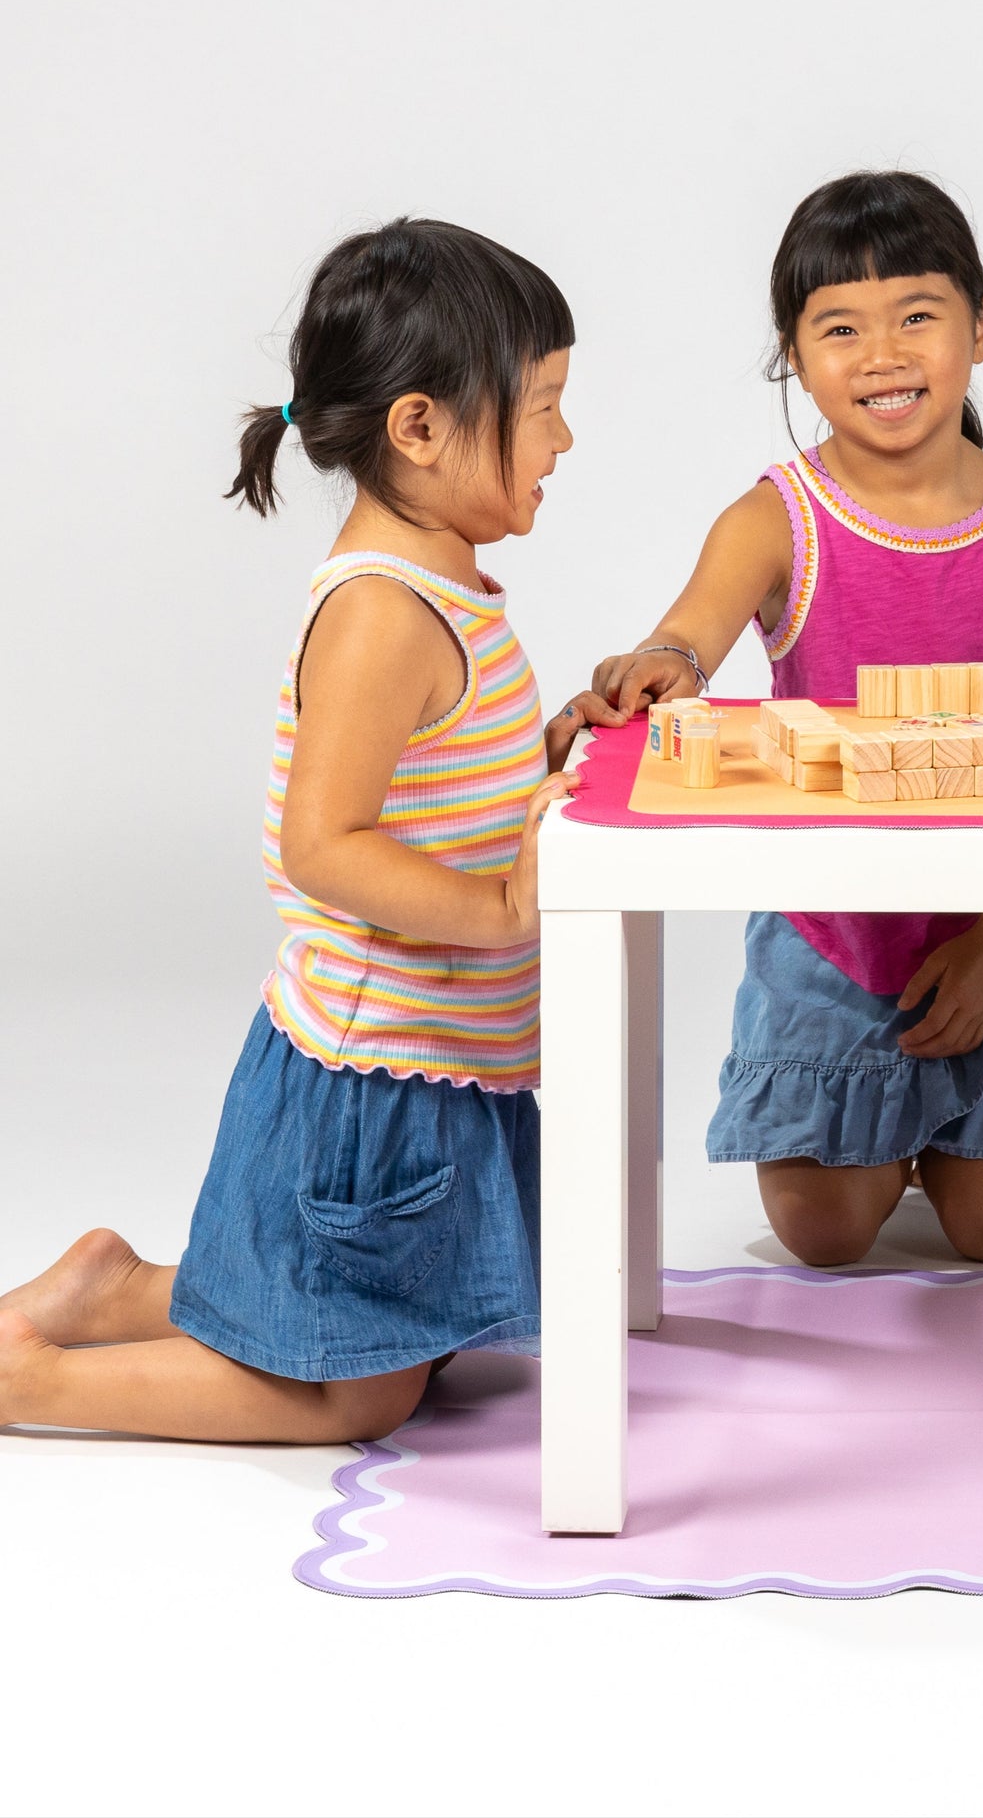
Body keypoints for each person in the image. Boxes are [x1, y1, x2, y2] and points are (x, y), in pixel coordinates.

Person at [0, 218, 614, 1443]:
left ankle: (117, 1288)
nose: (562, 438)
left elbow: (434, 776)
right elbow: (324, 841)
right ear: (421, 426)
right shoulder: (384, 609)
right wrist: (502, 907)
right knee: (361, 1394)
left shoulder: (444, 581)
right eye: (540, 406)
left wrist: (550, 749)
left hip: (440, 1055)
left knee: (419, 1333)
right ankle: (34, 1382)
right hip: (373, 1072)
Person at [592, 171, 983, 1267]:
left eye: (916, 317)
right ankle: (879, 1129)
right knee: (822, 1233)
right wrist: (659, 663)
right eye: (840, 328)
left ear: (979, 326)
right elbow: (685, 639)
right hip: (832, 931)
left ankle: (950, 1124)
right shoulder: (772, 518)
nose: (881, 356)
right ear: (792, 353)